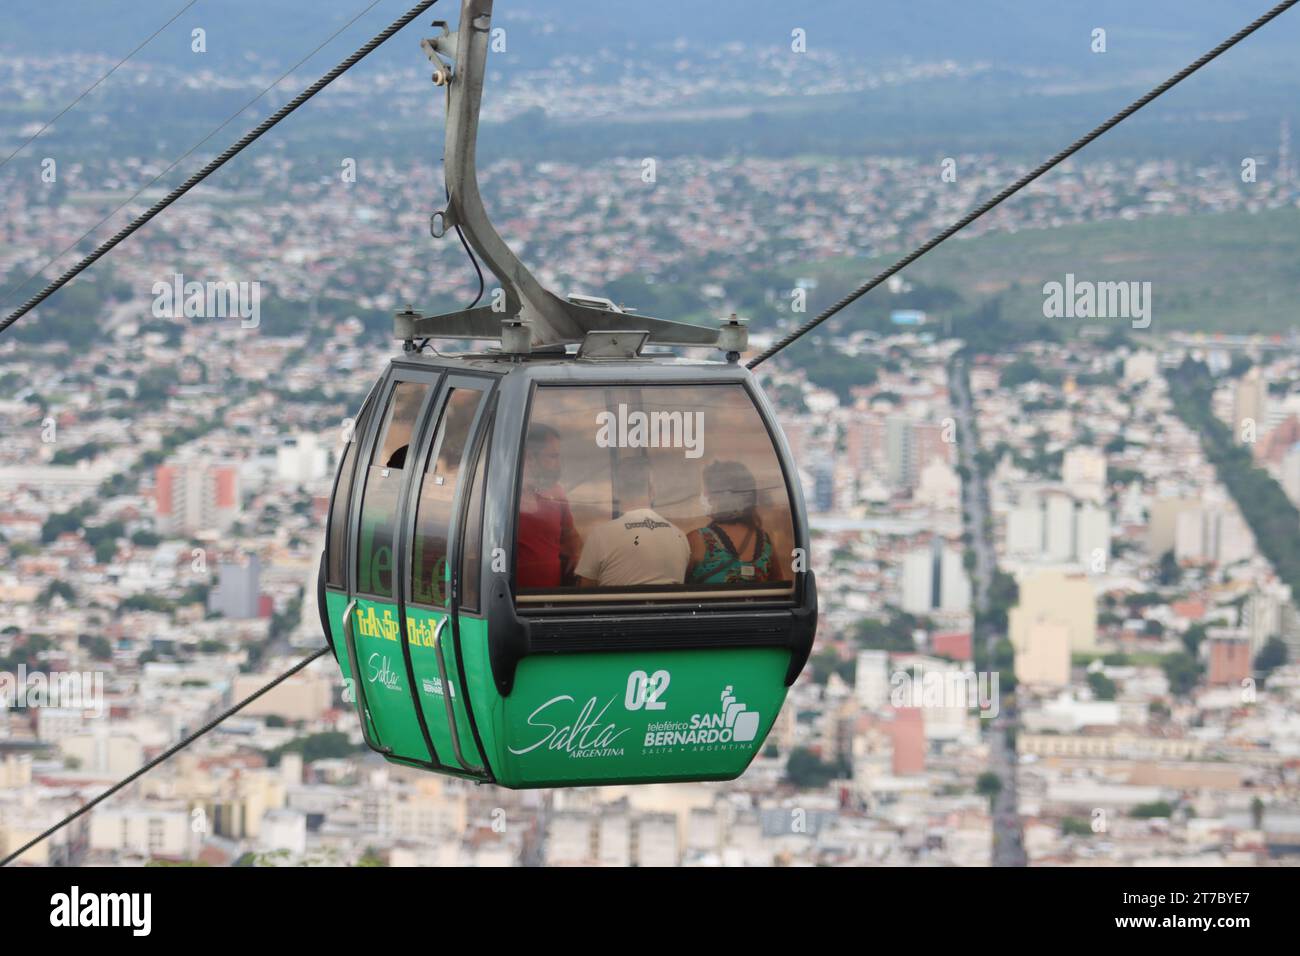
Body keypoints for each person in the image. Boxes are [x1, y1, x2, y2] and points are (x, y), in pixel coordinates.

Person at [575, 456, 689, 588]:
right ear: (652, 492)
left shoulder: (601, 536)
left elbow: (586, 592)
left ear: (616, 492)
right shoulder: (680, 537)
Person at [687, 460, 782, 585]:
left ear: (718, 495)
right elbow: (778, 589)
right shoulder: (765, 542)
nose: (705, 496)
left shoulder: (698, 540)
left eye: (707, 490)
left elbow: (677, 590)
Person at [516, 423, 581, 589]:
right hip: (513, 601)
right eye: (552, 457)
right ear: (529, 457)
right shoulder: (504, 497)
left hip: (550, 601)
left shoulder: (556, 492)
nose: (558, 464)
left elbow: (570, 534)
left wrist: (576, 554)